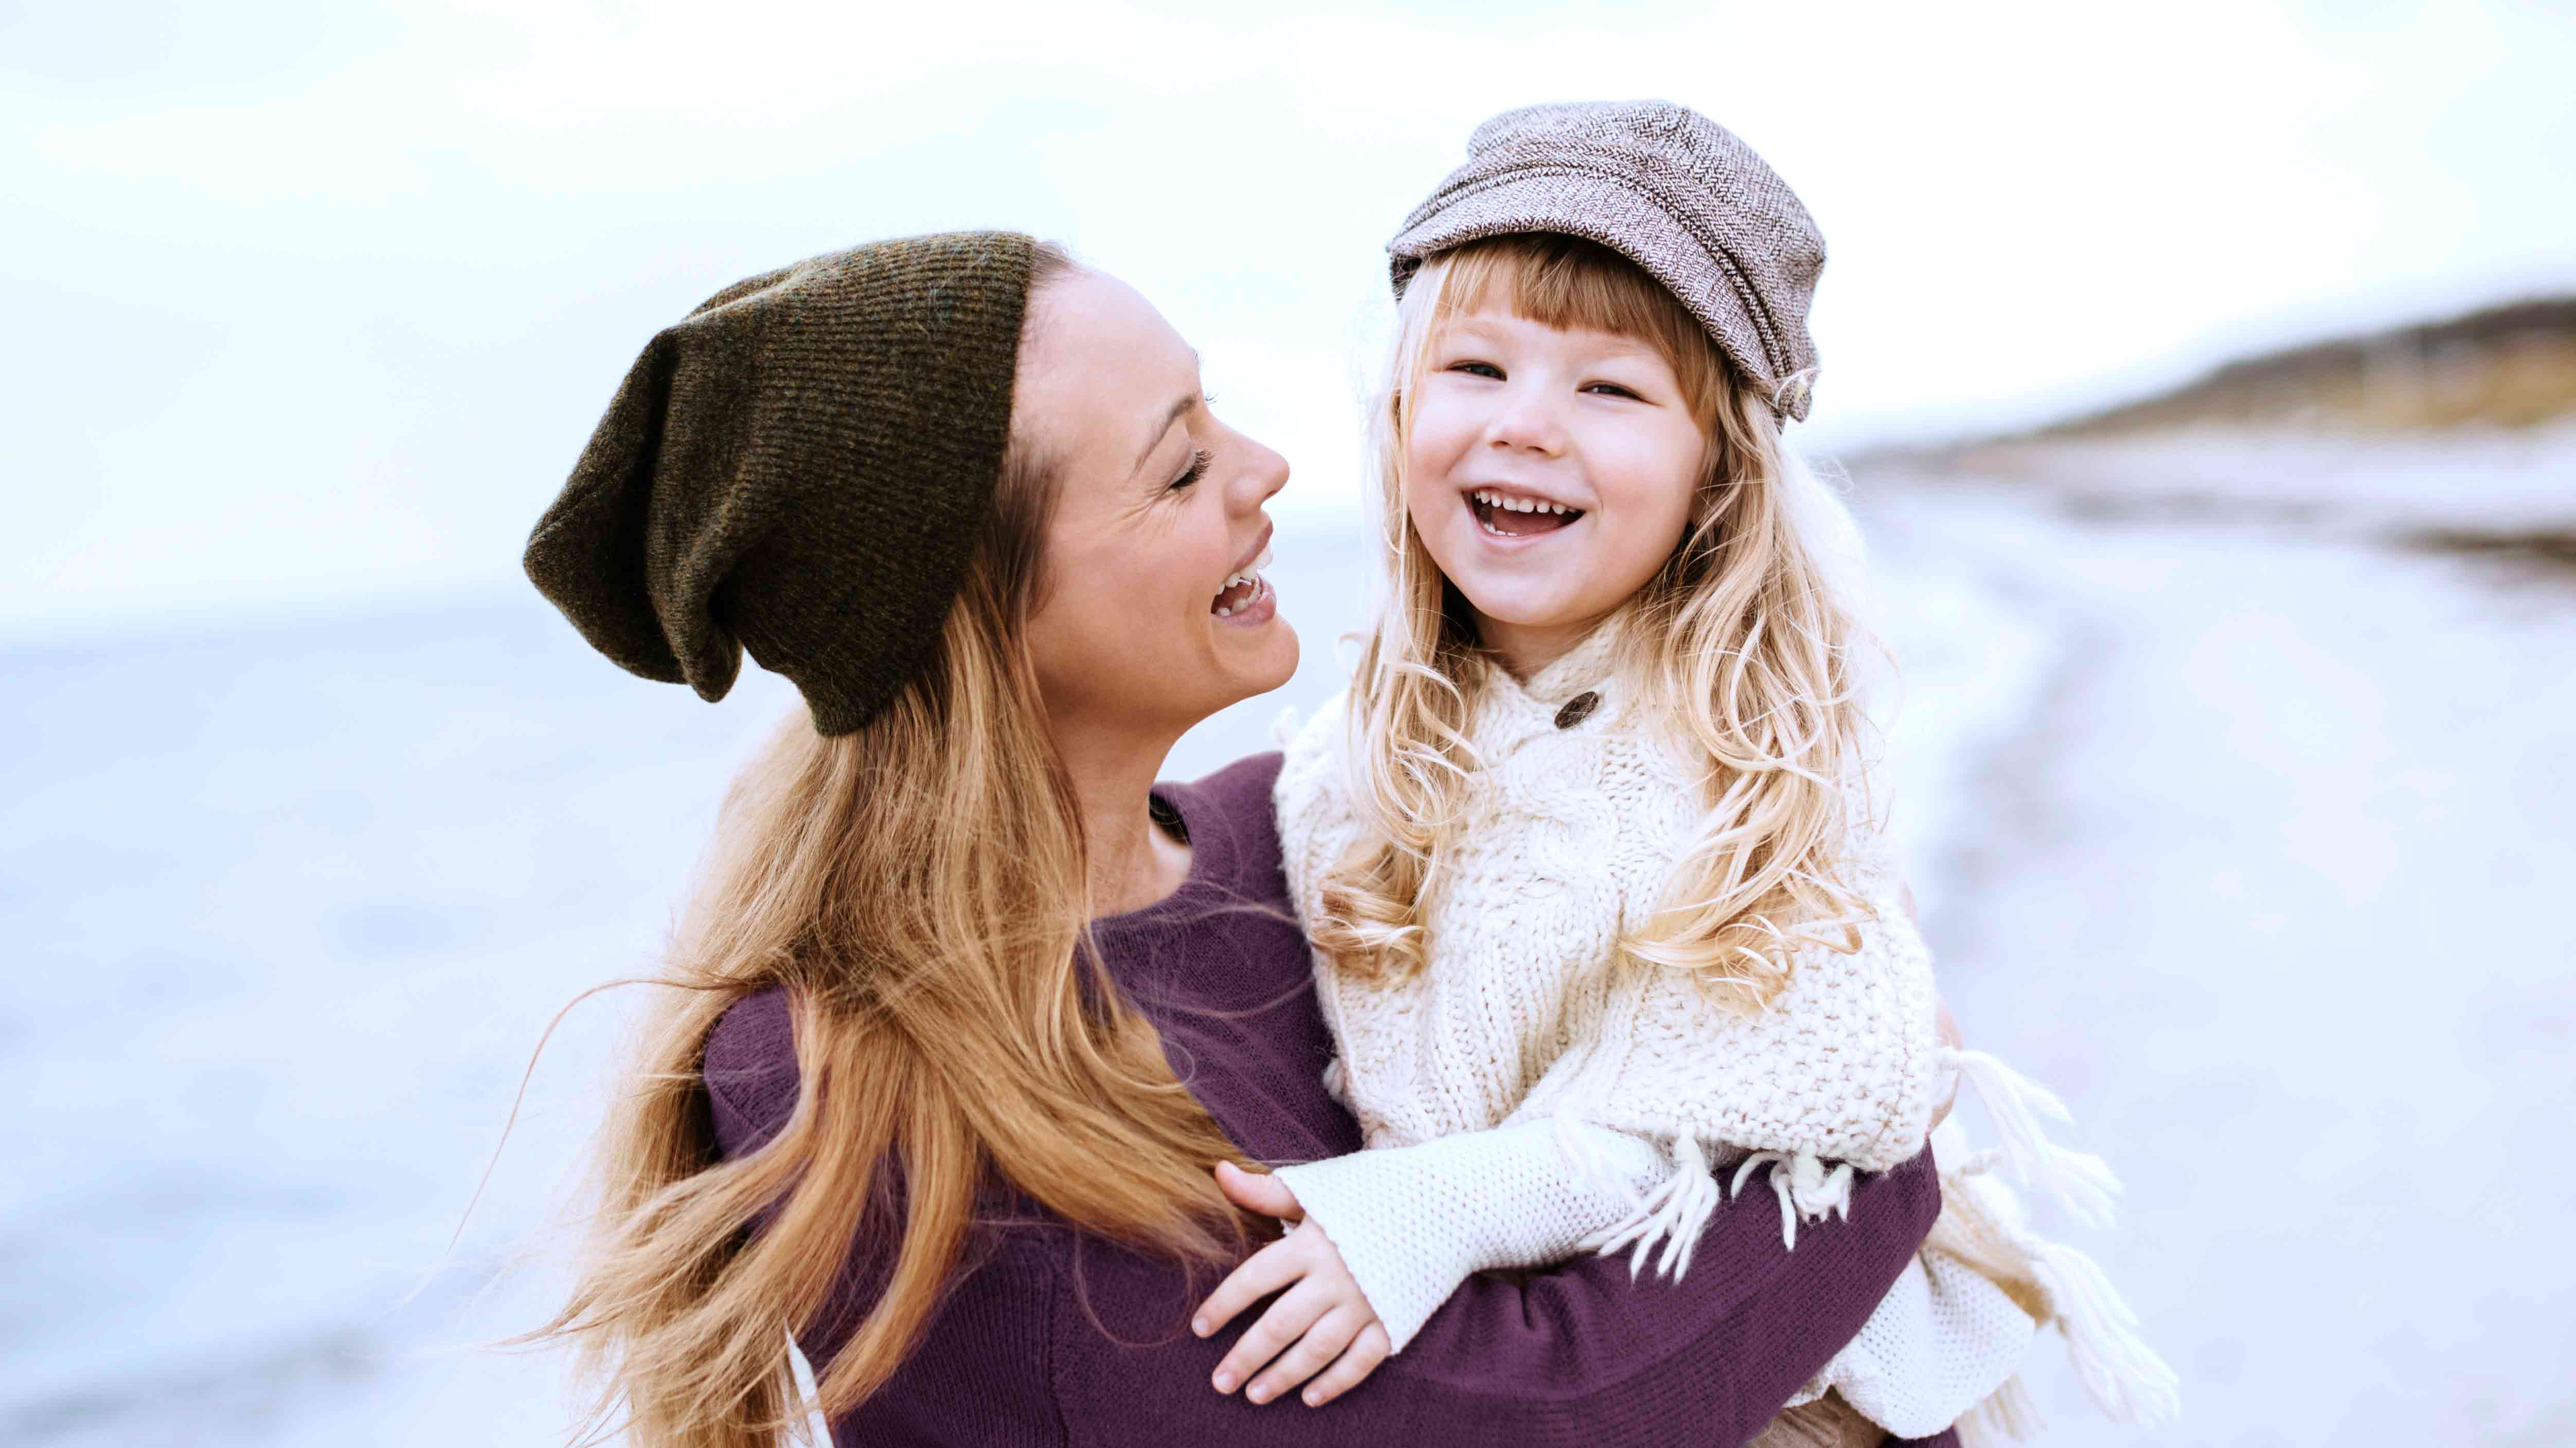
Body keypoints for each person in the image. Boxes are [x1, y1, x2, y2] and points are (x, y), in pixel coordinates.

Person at [516, 230, 1951, 1447]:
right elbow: (1504, 1415)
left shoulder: (1303, 831)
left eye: (1218, 417)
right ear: (985, 614)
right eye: (1182, 467)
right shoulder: (857, 1083)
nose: (1265, 469)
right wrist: (1881, 1152)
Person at [1195, 103, 2181, 1443]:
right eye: (1477, 367)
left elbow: (1781, 1104)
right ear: (1400, 409)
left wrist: (1428, 1213)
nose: (1527, 426)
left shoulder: (1748, 766)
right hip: (1518, 1371)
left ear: (1717, 469)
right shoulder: (1350, 755)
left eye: (1609, 389)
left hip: (1782, 1396)